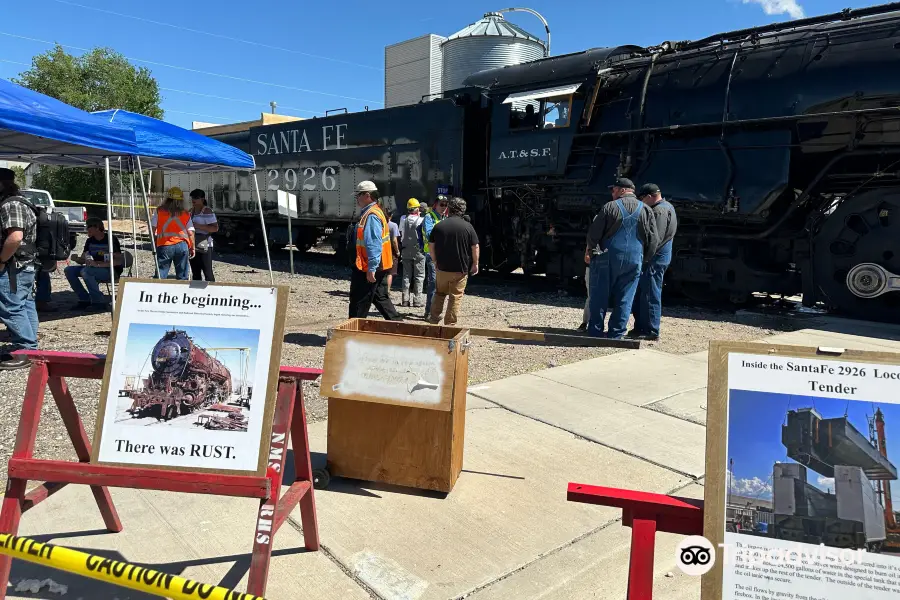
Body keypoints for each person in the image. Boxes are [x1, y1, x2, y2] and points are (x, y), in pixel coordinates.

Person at [585, 177, 658, 339]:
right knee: (626, 297)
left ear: (622, 190)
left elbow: (593, 234)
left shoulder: (609, 207)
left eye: (614, 189)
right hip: (634, 259)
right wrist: (643, 258)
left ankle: (595, 331)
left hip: (607, 258)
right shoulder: (646, 210)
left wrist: (591, 251)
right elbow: (653, 240)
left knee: (599, 296)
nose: (612, 192)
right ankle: (616, 333)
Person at [0, 168, 38, 370]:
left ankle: (25, 348)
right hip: (24, 265)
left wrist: (1, 259)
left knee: (11, 306)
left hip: (14, 266)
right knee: (24, 304)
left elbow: (15, 237)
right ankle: (31, 349)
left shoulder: (12, 204)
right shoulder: (20, 201)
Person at [348, 181, 402, 321]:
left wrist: (371, 268)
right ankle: (399, 327)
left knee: (359, 301)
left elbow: (373, 244)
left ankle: (353, 334)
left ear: (367, 195)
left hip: (368, 267)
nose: (357, 199)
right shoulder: (376, 211)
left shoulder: (371, 215)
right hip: (379, 265)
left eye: (358, 195)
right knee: (380, 298)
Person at [630, 183, 678, 341]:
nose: (642, 203)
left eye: (642, 199)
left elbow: (654, 239)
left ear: (650, 196)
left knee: (650, 293)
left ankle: (651, 330)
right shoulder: (668, 206)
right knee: (647, 292)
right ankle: (642, 327)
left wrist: (643, 257)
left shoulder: (659, 211)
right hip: (659, 257)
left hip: (654, 258)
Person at [427, 197, 479, 326]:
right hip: (460, 269)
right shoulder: (468, 227)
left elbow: (431, 245)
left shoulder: (439, 226)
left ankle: (433, 319)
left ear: (449, 209)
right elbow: (475, 247)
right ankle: (449, 324)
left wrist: (435, 261)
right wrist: (475, 263)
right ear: (463, 210)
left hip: (442, 268)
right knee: (455, 296)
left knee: (439, 293)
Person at [64, 217, 123, 311]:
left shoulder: (111, 239)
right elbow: (83, 259)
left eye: (88, 227)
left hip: (111, 270)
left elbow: (118, 261)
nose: (86, 229)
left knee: (86, 271)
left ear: (97, 227)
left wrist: (98, 264)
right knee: (69, 270)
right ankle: (84, 299)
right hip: (92, 268)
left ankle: (98, 302)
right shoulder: (90, 241)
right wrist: (77, 259)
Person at [151, 187, 195, 280]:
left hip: (164, 245)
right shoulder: (186, 213)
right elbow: (190, 232)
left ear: (167, 198)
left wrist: (154, 241)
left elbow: (152, 229)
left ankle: (158, 293)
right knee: (183, 276)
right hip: (182, 245)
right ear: (181, 199)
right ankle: (182, 293)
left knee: (161, 275)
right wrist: (192, 247)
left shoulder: (159, 211)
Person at [421, 195, 448, 318]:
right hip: (432, 255)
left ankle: (435, 311)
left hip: (442, 255)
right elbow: (429, 234)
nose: (443, 207)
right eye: (441, 204)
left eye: (445, 205)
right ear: (435, 205)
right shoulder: (429, 217)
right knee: (433, 283)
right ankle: (429, 312)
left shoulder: (444, 218)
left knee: (441, 284)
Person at [399, 198, 425, 307]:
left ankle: (405, 300)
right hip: (418, 250)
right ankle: (417, 300)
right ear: (417, 208)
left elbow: (401, 233)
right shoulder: (421, 220)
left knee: (406, 275)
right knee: (419, 275)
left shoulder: (403, 219)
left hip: (405, 249)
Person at [189, 189, 218, 282]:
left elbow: (215, 228)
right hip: (193, 243)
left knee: (207, 271)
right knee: (195, 271)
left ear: (202, 199)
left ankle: (212, 293)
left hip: (205, 244)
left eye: (196, 198)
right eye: (192, 197)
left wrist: (199, 226)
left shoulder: (208, 211)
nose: (193, 200)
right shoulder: (191, 211)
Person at [387, 209, 400, 291]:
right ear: (391, 216)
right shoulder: (393, 225)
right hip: (391, 251)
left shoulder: (380, 224)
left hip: (381, 249)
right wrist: (397, 251)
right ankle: (387, 290)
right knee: (390, 273)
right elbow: (394, 240)